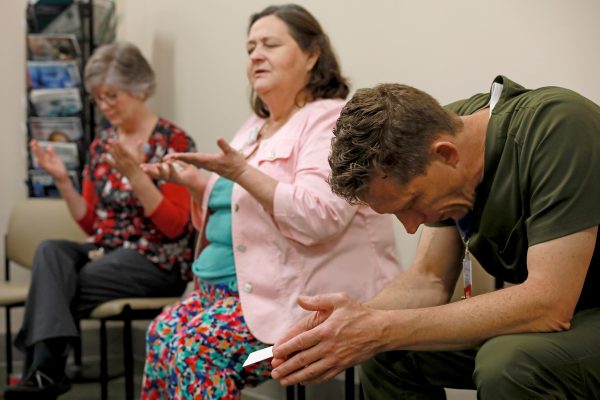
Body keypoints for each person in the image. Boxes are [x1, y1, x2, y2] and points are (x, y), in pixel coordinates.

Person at [270, 75, 600, 399]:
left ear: (445, 154)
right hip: (564, 310)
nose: (411, 227)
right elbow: (428, 279)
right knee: (384, 354)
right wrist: (353, 323)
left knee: (508, 362)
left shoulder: (558, 128)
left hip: (577, 308)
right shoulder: (437, 135)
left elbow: (548, 305)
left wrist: (379, 330)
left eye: (411, 204)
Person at [139, 4, 401, 399]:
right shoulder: (253, 128)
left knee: (195, 351)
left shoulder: (331, 120)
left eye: (270, 44)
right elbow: (240, 214)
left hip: (302, 305)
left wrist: (240, 173)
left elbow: (321, 217)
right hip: (232, 294)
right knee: (161, 335)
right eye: (250, 48)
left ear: (312, 55)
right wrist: (196, 185)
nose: (256, 54)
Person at [4, 42, 196, 400]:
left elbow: (177, 226)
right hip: (107, 254)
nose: (105, 106)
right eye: (98, 99)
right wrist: (63, 180)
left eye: (112, 96)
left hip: (157, 260)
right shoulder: (101, 144)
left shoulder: (174, 141)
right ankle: (46, 370)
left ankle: (43, 370)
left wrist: (137, 177)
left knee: (55, 285)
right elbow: (93, 225)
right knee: (51, 253)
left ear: (139, 88)